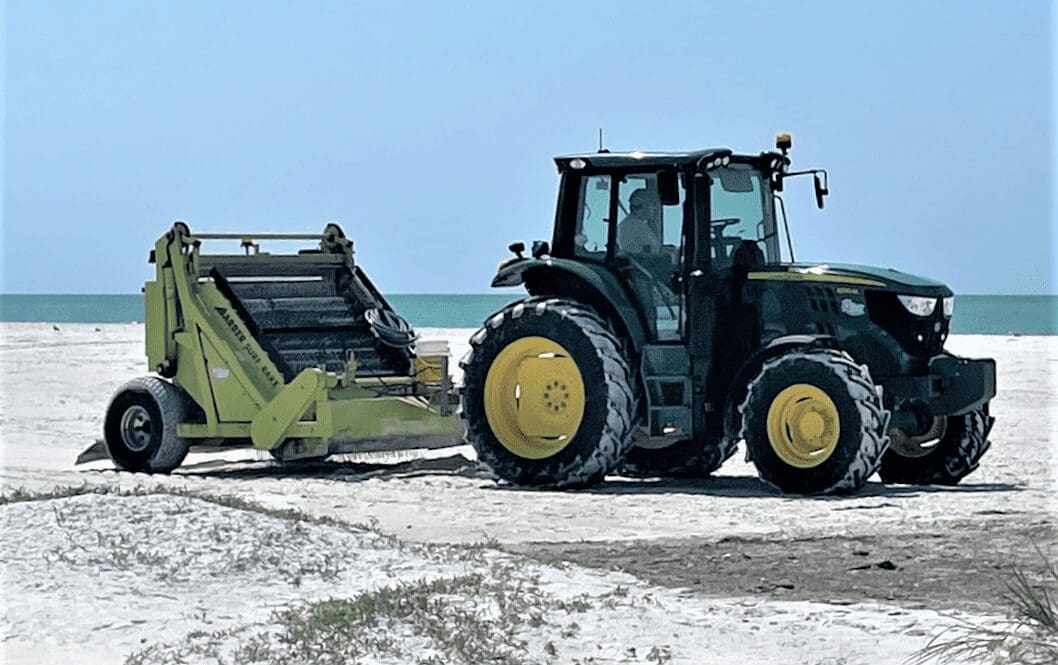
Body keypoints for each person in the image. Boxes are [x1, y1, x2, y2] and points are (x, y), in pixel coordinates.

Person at [617, 189, 663, 255]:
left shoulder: (633, 223)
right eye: (652, 204)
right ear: (644, 206)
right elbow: (650, 251)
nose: (654, 208)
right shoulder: (634, 225)